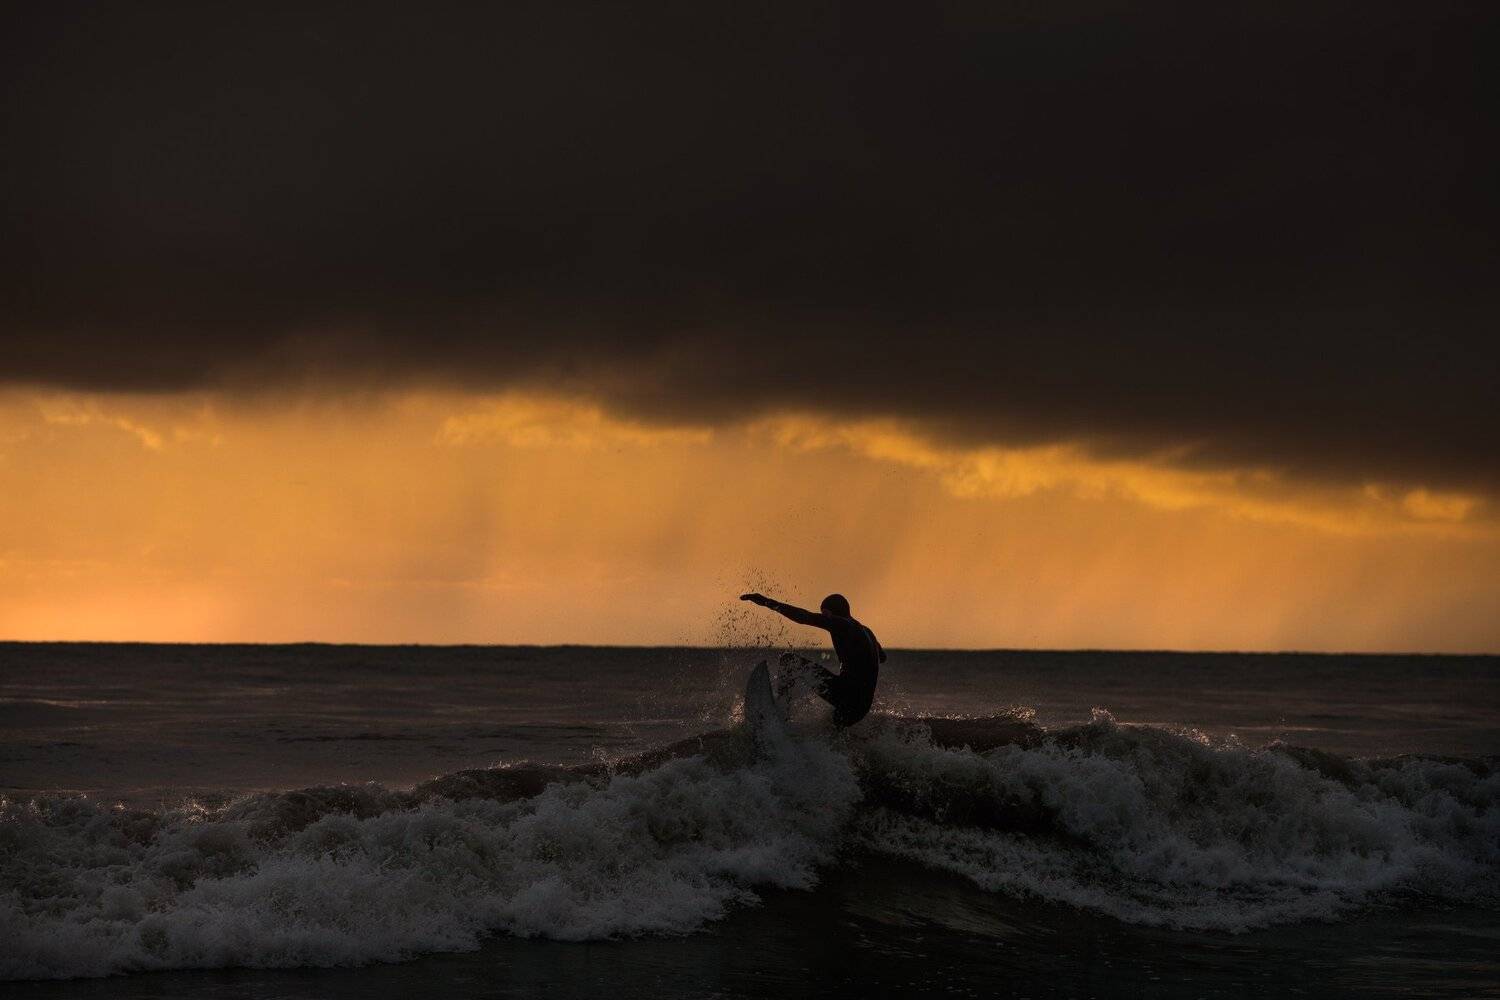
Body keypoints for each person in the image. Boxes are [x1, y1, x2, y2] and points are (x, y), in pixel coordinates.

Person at [739, 592, 886, 726]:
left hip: (846, 697)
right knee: (828, 730)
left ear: (830, 614)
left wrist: (767, 602)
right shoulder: (867, 632)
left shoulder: (842, 625)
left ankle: (781, 712)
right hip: (860, 708)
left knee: (789, 660)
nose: (825, 618)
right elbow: (882, 657)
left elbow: (804, 617)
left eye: (825, 615)